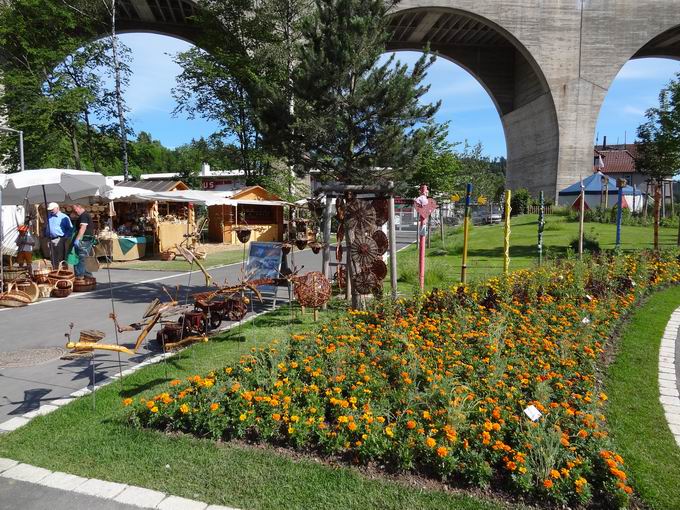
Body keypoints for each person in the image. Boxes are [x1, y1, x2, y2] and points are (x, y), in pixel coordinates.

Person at [45, 202, 73, 268]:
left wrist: (65, 237)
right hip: (49, 239)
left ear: (57, 208)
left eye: (52, 209)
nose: (51, 211)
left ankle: (63, 271)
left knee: (61, 257)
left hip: (60, 239)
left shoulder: (64, 217)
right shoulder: (48, 216)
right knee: (52, 257)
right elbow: (45, 226)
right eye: (50, 209)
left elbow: (70, 228)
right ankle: (55, 271)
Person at [71, 203, 96, 278]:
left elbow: (83, 228)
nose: (75, 211)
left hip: (84, 239)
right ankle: (87, 274)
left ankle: (80, 275)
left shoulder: (84, 215)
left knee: (81, 256)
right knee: (85, 256)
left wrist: (77, 239)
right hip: (86, 238)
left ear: (79, 207)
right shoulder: (84, 215)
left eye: (75, 209)